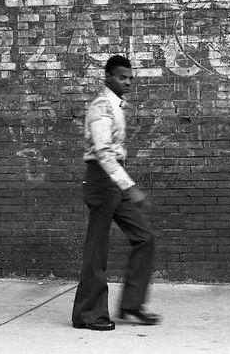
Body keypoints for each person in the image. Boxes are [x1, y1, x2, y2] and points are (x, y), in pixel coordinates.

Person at [71, 55, 160, 331]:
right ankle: (88, 315)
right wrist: (129, 185)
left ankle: (131, 305)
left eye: (130, 78)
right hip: (101, 179)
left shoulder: (117, 106)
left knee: (144, 237)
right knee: (97, 250)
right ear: (108, 77)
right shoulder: (100, 107)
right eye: (123, 77)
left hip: (114, 180)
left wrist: (123, 183)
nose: (128, 82)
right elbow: (103, 152)